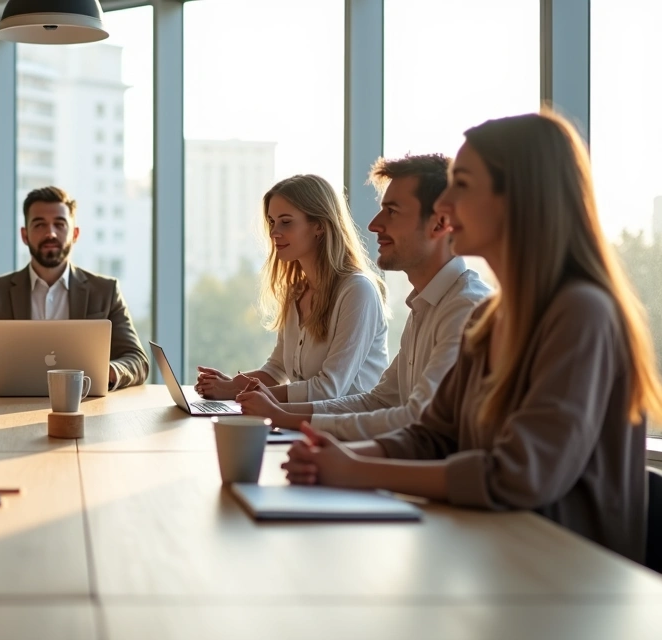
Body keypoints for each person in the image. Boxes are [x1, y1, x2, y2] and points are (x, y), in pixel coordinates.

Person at [282, 111, 662, 562]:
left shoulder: (581, 314)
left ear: (518, 197)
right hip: (498, 555)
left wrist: (358, 469)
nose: (444, 205)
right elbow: (432, 436)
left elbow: (517, 475)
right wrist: (335, 455)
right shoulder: (490, 319)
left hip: (566, 580)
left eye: (461, 185)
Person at [237, 155, 491, 439]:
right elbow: (379, 401)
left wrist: (286, 418)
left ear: (440, 223)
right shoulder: (425, 305)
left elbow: (418, 420)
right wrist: (282, 415)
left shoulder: (466, 308)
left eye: (392, 211)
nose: (373, 225)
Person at [196, 174, 388, 403]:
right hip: (303, 423)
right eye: (271, 222)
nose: (274, 232)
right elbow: (276, 369)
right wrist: (231, 384)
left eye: (286, 222)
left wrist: (235, 393)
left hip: (347, 432)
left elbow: (329, 389)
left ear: (319, 226)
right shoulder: (296, 292)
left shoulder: (358, 291)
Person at [0, 186, 149, 390]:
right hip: (11, 408)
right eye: (39, 225)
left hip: (84, 408)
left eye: (60, 224)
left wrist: (105, 371)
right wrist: (1, 375)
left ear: (75, 234)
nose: (50, 233)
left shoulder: (105, 291)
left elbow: (138, 361)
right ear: (25, 235)